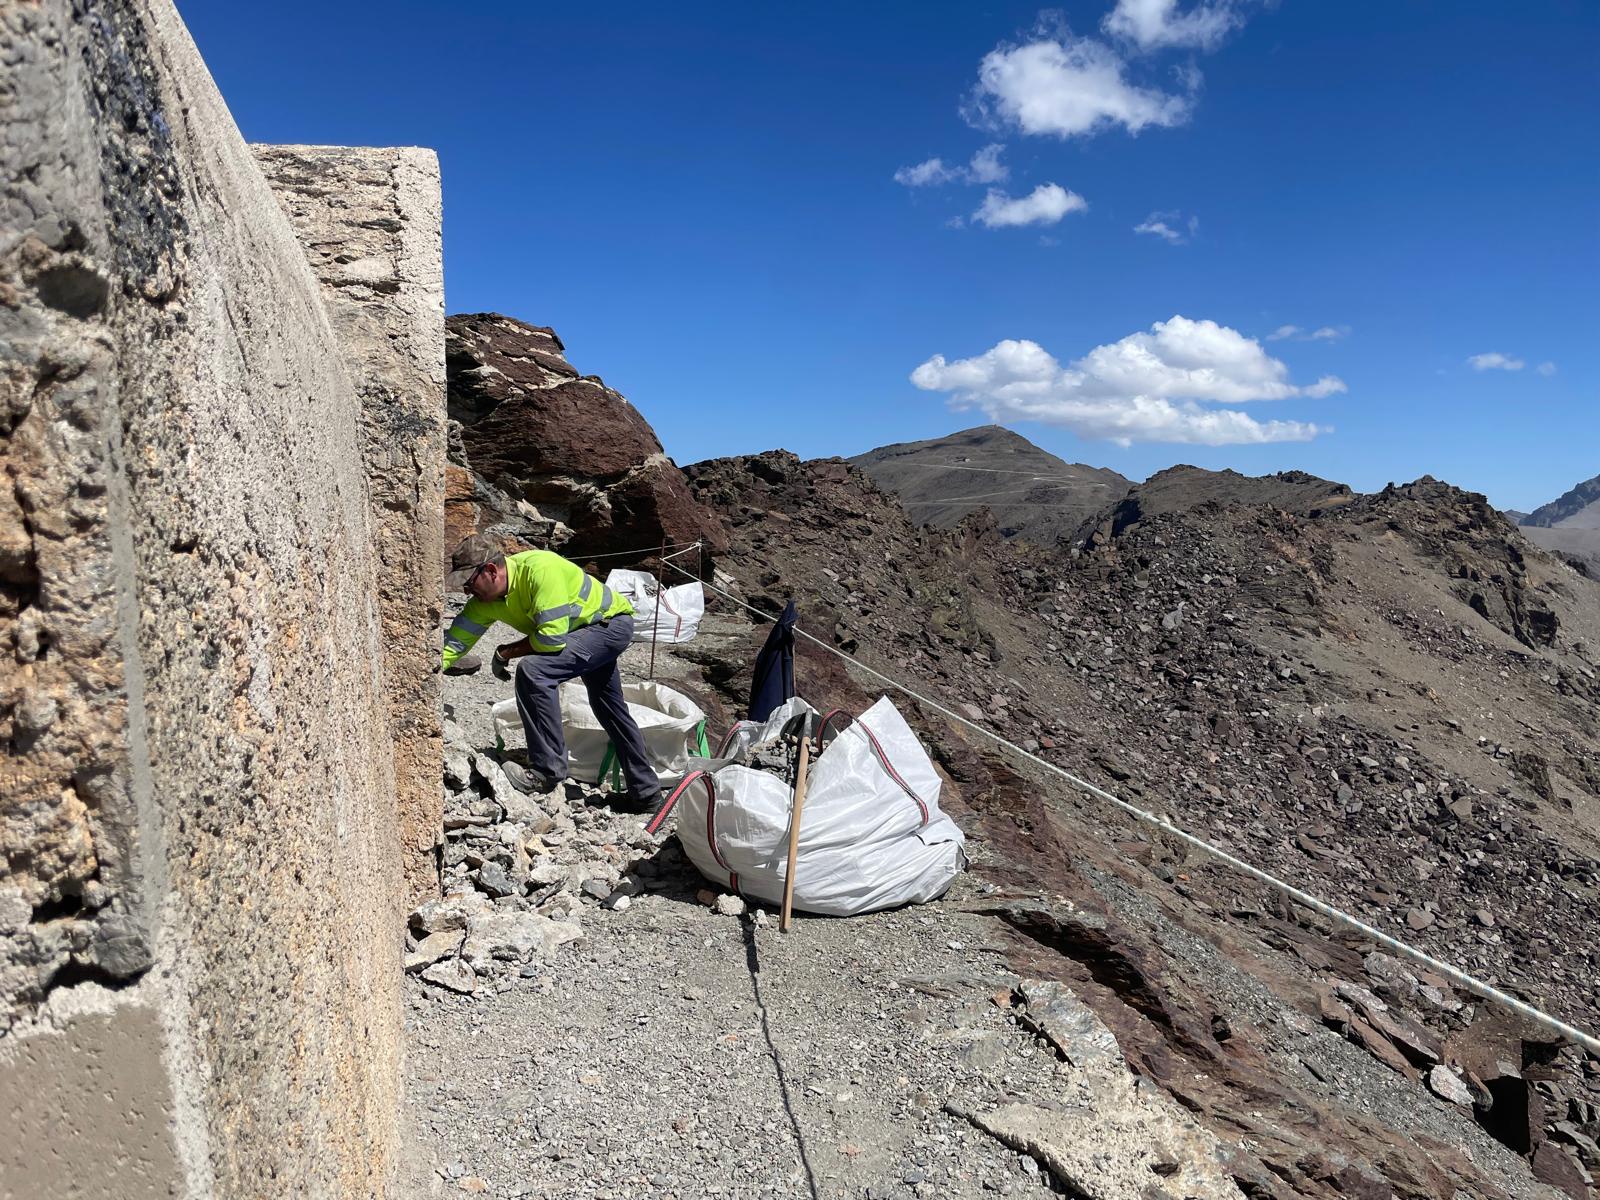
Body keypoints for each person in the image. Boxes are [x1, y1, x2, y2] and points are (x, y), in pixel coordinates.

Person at [441, 550, 659, 806]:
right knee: (609, 707)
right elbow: (453, 644)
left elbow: (551, 639)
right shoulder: (484, 603)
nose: (466, 592)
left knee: (534, 671)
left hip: (609, 625)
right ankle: (646, 793)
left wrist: (505, 652)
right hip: (583, 632)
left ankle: (546, 771)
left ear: (491, 571)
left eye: (469, 583)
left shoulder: (540, 570)